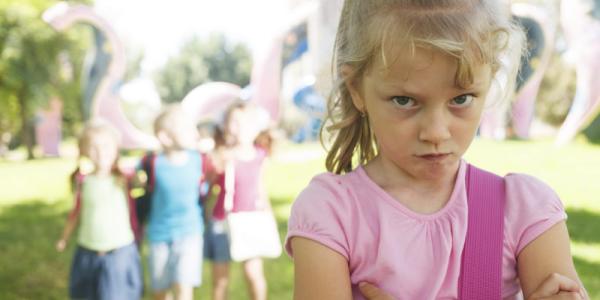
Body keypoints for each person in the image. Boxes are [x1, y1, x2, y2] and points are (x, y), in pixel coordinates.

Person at [285, 1, 588, 299]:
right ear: (356, 89)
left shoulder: (525, 210)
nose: (435, 132)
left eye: (462, 99)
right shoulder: (332, 213)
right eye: (404, 100)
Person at [56, 120, 142, 300]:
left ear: (116, 149)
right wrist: (64, 238)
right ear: (84, 151)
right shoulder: (83, 181)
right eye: (93, 148)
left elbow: (142, 181)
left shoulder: (124, 178)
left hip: (119, 252)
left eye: (106, 147)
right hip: (87, 251)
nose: (101, 153)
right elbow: (76, 213)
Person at [203, 101, 275, 300]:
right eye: (234, 122)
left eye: (246, 122)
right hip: (222, 222)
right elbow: (208, 186)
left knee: (254, 274)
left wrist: (267, 214)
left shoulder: (261, 155)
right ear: (226, 126)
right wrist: (217, 163)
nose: (240, 127)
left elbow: (260, 187)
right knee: (221, 280)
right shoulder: (222, 156)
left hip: (250, 220)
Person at [142, 104, 204, 300]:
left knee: (184, 289)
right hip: (159, 236)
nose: (195, 133)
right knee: (160, 292)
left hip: (190, 234)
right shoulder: (152, 163)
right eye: (186, 128)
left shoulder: (198, 160)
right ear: (165, 137)